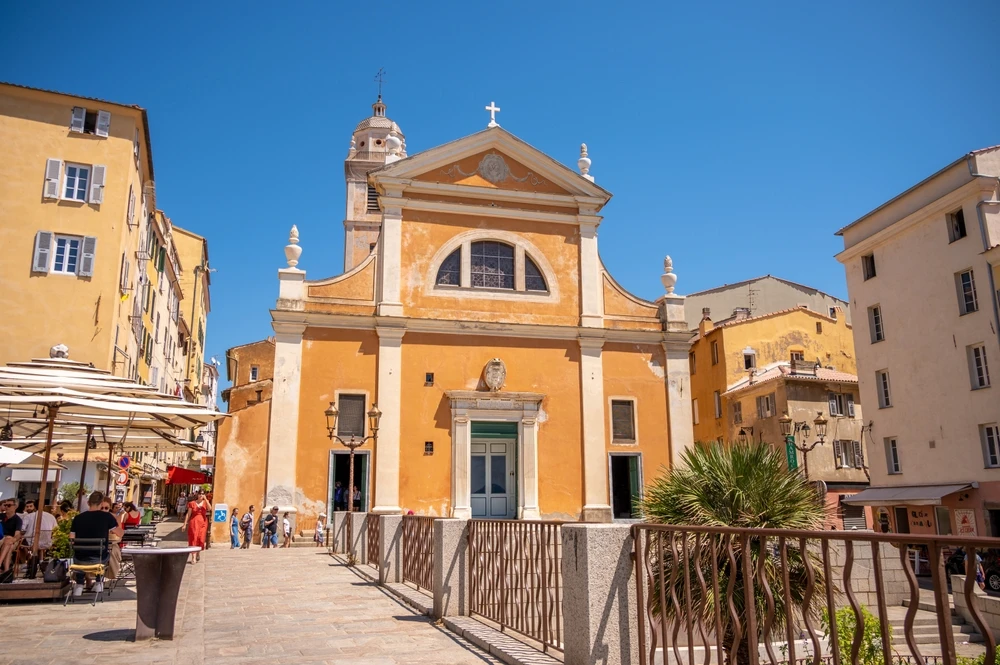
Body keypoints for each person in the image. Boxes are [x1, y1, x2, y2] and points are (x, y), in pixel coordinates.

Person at [69, 492, 123, 596]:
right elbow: (120, 533)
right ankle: (99, 582)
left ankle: (79, 585)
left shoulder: (78, 518)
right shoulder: (106, 517)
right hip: (99, 558)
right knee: (106, 553)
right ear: (101, 503)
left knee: (80, 556)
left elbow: (71, 539)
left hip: (79, 559)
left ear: (88, 503)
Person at [182, 490, 210, 564]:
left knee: (201, 538)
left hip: (203, 522)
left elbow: (210, 508)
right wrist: (185, 524)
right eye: (200, 494)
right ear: (197, 495)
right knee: (193, 537)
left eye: (203, 494)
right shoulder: (192, 503)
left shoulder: (205, 503)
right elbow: (188, 514)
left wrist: (206, 499)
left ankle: (198, 552)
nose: (201, 495)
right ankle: (193, 557)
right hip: (194, 522)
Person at [0, 499, 23, 573]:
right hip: (2, 539)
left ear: (15, 507)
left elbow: (17, 534)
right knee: (8, 543)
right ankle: (6, 571)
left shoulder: (18, 520)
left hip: (12, 540)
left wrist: (12, 539)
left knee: (8, 540)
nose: (6, 507)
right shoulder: (1, 516)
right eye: (5, 505)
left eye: (9, 505)